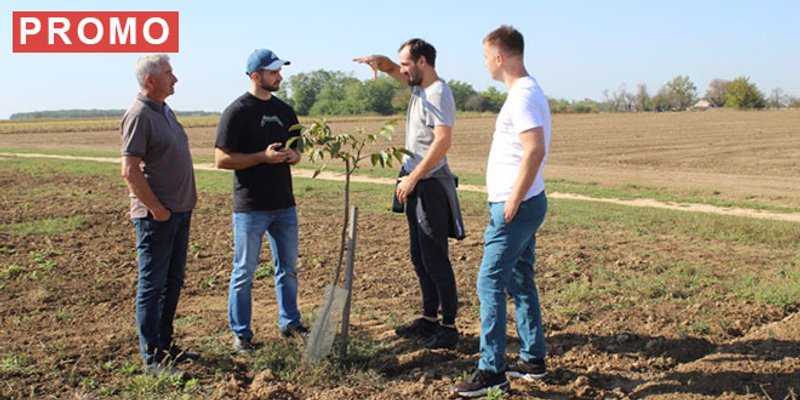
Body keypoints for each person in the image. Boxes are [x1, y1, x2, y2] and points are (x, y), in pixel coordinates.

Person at [454, 26, 552, 398]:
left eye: (484, 57)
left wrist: (513, 198)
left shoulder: (522, 96)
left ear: (499, 57)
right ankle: (532, 359)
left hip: (518, 205)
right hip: (526, 202)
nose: (484, 64)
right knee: (520, 278)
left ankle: (491, 370)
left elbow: (534, 150)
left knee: (489, 280)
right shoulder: (527, 91)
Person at [355, 39, 465, 350]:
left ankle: (448, 326)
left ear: (422, 63)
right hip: (414, 181)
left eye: (406, 64)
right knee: (419, 256)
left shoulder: (439, 93)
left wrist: (413, 178)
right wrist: (381, 62)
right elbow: (392, 69)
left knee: (435, 256)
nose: (402, 69)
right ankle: (429, 319)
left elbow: (442, 142)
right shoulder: (419, 87)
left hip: (428, 184)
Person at [215, 48, 306, 354]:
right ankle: (241, 334)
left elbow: (298, 149)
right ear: (256, 76)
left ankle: (290, 323)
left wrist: (294, 156)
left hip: (284, 204)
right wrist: (261, 158)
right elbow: (221, 159)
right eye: (273, 72)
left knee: (288, 269)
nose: (280, 76)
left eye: (280, 71)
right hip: (250, 207)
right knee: (244, 272)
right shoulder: (237, 111)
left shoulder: (285, 111)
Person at [120, 54, 199, 377]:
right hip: (157, 218)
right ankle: (152, 358)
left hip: (179, 212)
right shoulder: (138, 114)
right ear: (150, 80)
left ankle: (166, 346)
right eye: (168, 73)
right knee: (153, 285)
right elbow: (129, 170)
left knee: (172, 282)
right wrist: (157, 209)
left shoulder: (164, 110)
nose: (175, 78)